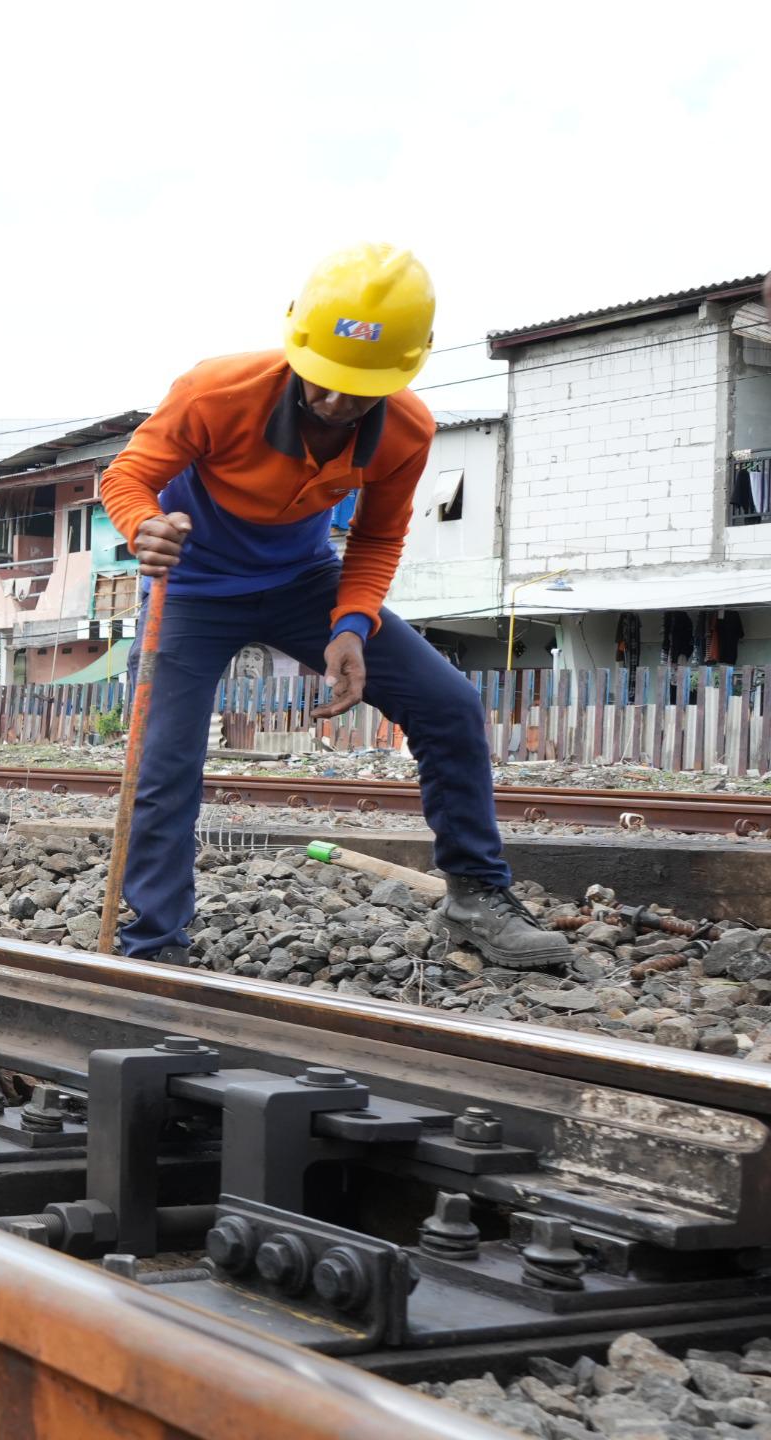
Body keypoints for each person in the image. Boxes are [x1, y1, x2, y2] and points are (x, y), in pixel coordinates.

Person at [98, 244, 570, 971]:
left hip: (305, 583)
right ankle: (153, 946)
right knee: (165, 764)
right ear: (298, 345)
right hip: (190, 587)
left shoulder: (407, 431)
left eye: (362, 389)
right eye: (325, 382)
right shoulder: (215, 391)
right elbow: (129, 475)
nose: (338, 402)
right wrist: (145, 527)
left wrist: (352, 626)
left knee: (447, 704)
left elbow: (379, 536)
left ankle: (477, 896)